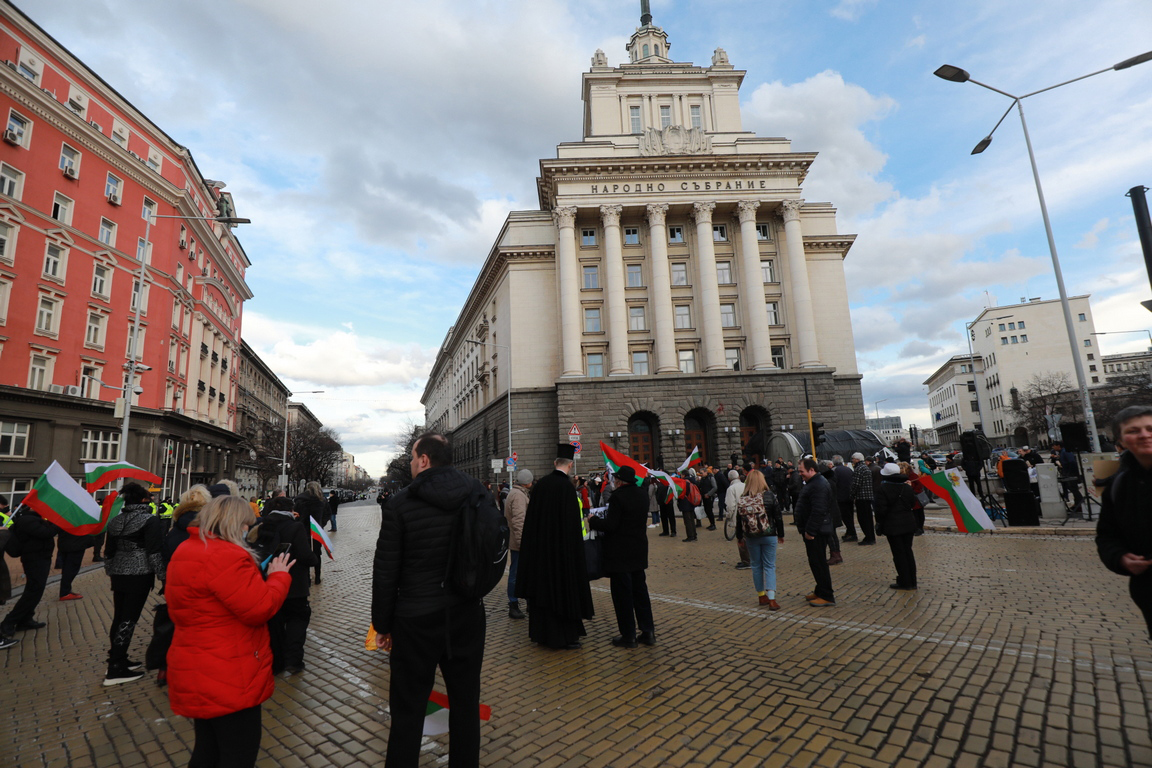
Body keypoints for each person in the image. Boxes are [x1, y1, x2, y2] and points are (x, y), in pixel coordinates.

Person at [372, 433, 491, 767]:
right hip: (466, 613)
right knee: (466, 704)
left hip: (415, 619)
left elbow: (386, 571)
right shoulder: (477, 493)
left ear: (424, 460)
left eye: (412, 457)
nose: (410, 463)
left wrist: (382, 624)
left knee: (407, 708)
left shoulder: (400, 503)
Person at [167, 495, 294, 768]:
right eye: (247, 525)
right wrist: (279, 576)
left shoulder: (186, 550)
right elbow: (260, 607)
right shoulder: (227, 555)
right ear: (237, 524)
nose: (248, 530)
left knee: (207, 749)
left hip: (194, 664)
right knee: (238, 753)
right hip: (228, 670)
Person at [515, 444, 594, 650]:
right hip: (562, 555)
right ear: (570, 465)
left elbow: (532, 522)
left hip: (541, 554)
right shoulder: (567, 488)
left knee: (543, 593)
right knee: (562, 593)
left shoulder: (540, 486)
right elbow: (571, 526)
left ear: (554, 463)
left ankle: (542, 634)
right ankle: (563, 636)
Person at [1096, 405, 1152, 638]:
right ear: (1121, 441)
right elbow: (1107, 534)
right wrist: (1119, 557)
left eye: (1150, 428)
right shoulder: (1119, 486)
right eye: (1133, 430)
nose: (1144, 435)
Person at [103, 482, 165, 686]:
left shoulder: (115, 520)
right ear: (144, 500)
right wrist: (163, 577)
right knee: (129, 618)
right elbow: (154, 552)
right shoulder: (149, 520)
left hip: (118, 574)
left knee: (120, 616)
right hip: (139, 574)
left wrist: (111, 570)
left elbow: (109, 551)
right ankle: (115, 668)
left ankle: (118, 657)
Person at [587, 466, 655, 648]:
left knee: (622, 596)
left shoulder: (618, 497)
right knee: (640, 593)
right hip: (638, 551)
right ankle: (648, 631)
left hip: (620, 554)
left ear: (619, 481)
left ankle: (629, 635)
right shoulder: (641, 494)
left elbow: (611, 525)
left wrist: (593, 520)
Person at [255, 496, 317, 674]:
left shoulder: (263, 525)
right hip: (294, 584)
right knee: (297, 621)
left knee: (275, 624)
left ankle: (277, 662)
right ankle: (294, 661)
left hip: (269, 582)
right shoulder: (294, 527)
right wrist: (313, 560)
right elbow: (305, 555)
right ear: (291, 510)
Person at [0, 502, 58, 642]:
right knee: (33, 590)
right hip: (34, 559)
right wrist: (59, 522)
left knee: (36, 590)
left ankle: (25, 619)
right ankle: (9, 621)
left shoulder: (34, 518)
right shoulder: (27, 520)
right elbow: (46, 533)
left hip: (40, 557)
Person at [736, 469, 784, 609]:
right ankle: (772, 599)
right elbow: (778, 517)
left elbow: (739, 521)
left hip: (751, 536)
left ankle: (761, 595)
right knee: (769, 565)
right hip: (769, 534)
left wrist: (739, 537)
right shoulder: (769, 496)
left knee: (756, 566)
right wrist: (780, 534)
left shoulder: (743, 498)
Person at [795, 458, 836, 607]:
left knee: (819, 563)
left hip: (817, 531)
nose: (800, 474)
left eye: (802, 471)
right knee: (815, 562)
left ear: (811, 470)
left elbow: (818, 510)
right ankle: (820, 590)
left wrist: (810, 531)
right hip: (814, 529)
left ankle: (826, 595)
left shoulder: (818, 485)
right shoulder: (814, 483)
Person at [874, 463, 919, 590]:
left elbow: (880, 510)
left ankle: (905, 581)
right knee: (908, 552)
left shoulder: (882, 489)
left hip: (892, 525)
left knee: (899, 554)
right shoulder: (907, 487)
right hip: (908, 523)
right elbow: (912, 503)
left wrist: (879, 523)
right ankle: (912, 580)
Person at [505, 469, 532, 620]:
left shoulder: (516, 493)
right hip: (519, 543)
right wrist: (523, 542)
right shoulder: (519, 496)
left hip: (518, 541)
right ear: (527, 482)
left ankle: (524, 601)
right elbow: (519, 521)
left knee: (523, 572)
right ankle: (513, 604)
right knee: (516, 574)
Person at [294, 482, 328, 585]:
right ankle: (317, 577)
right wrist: (322, 523)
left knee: (305, 553)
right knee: (317, 554)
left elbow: (296, 514)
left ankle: (307, 578)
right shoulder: (322, 500)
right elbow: (327, 514)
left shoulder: (300, 500)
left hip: (304, 530)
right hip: (317, 530)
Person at [849, 453, 877, 545]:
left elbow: (856, 484)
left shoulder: (859, 469)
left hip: (861, 497)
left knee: (863, 519)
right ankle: (871, 537)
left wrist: (852, 495)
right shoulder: (866, 468)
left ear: (857, 459)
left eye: (853, 459)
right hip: (868, 496)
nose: (852, 460)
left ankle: (868, 538)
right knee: (868, 519)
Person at [56, 528, 91, 601]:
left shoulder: (65, 517)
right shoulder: (79, 518)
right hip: (76, 544)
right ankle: (65, 592)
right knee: (71, 569)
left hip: (66, 543)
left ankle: (66, 590)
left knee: (67, 568)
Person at [724, 469, 750, 569]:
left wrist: (728, 516)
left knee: (741, 539)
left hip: (738, 516)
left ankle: (746, 561)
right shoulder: (745, 485)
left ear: (729, 478)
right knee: (747, 537)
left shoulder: (731, 489)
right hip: (748, 514)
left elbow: (730, 505)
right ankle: (748, 559)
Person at [832, 455, 856, 542]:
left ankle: (852, 534)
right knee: (850, 515)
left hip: (840, 497)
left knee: (845, 516)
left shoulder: (834, 471)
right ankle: (850, 532)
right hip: (849, 496)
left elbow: (834, 484)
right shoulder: (848, 469)